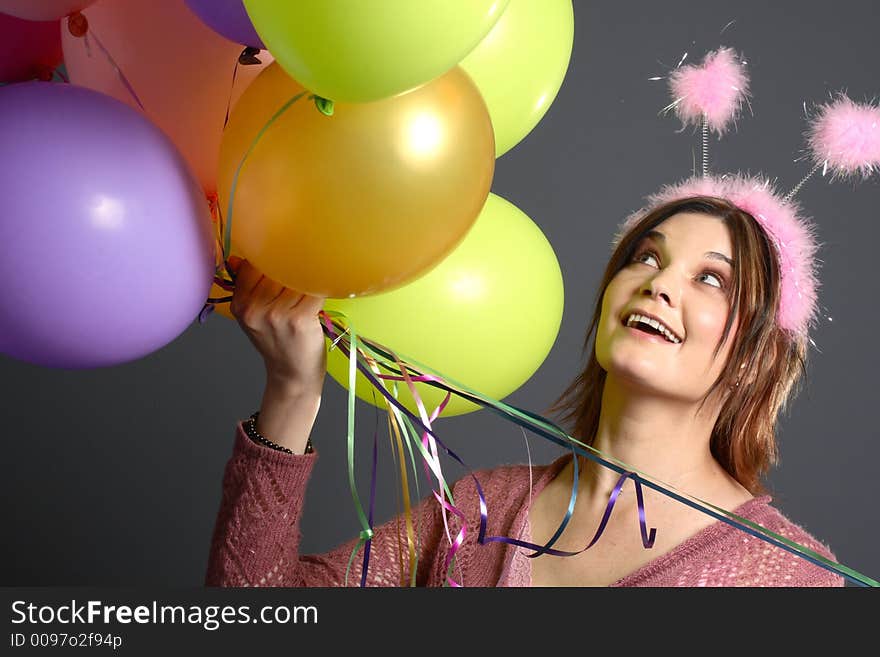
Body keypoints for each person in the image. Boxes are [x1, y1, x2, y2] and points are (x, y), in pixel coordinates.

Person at [203, 193, 844, 587]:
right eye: (646, 257)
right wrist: (292, 392)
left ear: (756, 358)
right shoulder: (481, 510)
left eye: (712, 280)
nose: (659, 283)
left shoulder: (792, 580)